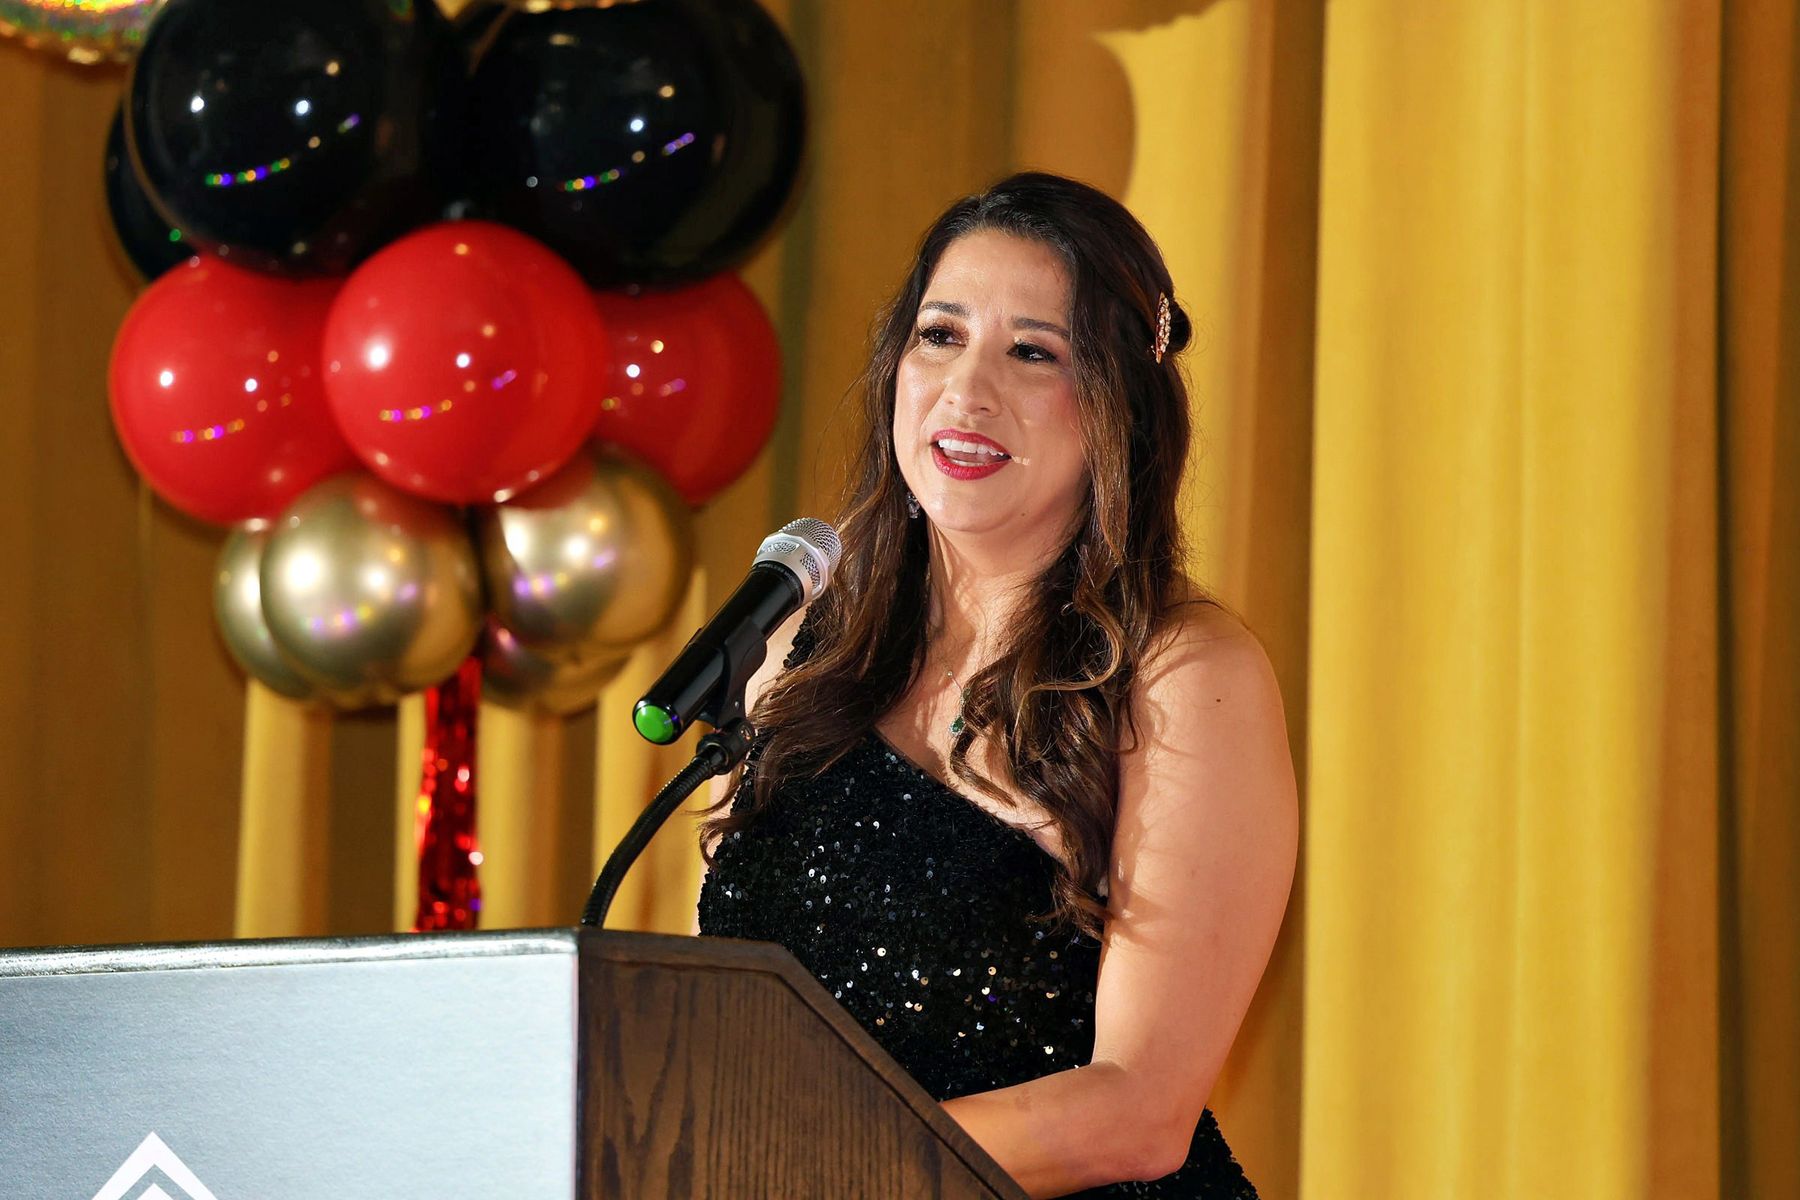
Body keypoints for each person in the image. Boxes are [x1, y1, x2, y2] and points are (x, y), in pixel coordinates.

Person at [697, 171, 1298, 1198]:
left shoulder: (1184, 676)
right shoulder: (796, 649)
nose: (966, 391)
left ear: (1118, 408)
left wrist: (803, 1169)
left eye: (1033, 352)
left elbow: (1141, 1109)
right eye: (940, 336)